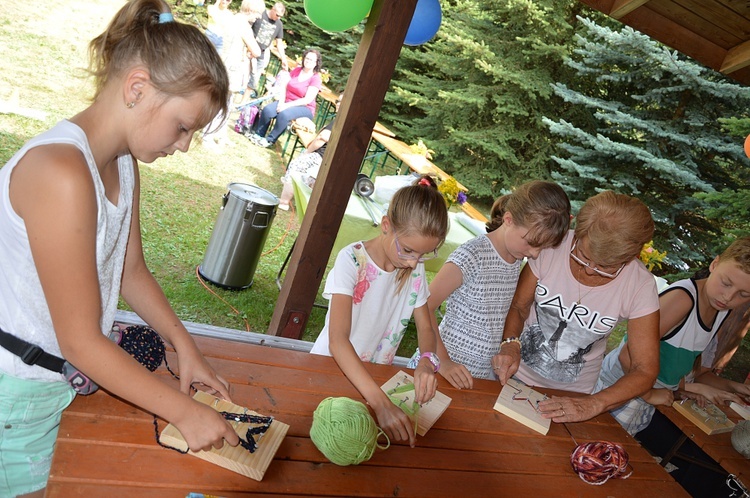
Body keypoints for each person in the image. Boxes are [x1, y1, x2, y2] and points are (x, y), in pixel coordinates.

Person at [0, 2, 240, 496]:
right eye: (183, 125)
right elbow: (81, 341)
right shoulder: (62, 173)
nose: (185, 145)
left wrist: (185, 347)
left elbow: (130, 270)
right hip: (14, 394)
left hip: (53, 384)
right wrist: (182, 412)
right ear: (137, 89)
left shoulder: (122, 164)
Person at [494, 191, 660, 423]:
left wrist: (593, 404)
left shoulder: (640, 285)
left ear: (632, 256)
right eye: (582, 255)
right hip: (513, 374)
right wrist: (510, 344)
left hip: (573, 396)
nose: (590, 270)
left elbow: (645, 370)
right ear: (578, 233)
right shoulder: (553, 246)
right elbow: (519, 306)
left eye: (606, 266)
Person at [309, 176, 449, 448]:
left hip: (373, 379)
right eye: (408, 251)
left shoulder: (414, 268)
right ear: (386, 225)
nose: (413, 262)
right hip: (330, 370)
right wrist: (382, 405)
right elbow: (338, 340)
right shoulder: (352, 260)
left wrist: (426, 362)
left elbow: (426, 328)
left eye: (423, 255)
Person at [412, 181, 571, 389]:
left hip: (476, 378)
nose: (535, 254)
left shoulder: (516, 259)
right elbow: (424, 305)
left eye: (542, 247)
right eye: (531, 243)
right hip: (438, 371)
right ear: (508, 220)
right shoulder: (472, 255)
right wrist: (443, 362)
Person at [596, 236, 750, 435]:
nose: (728, 297)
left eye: (743, 295)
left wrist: (733, 387)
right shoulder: (682, 300)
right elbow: (627, 355)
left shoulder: (721, 310)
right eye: (726, 283)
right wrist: (649, 394)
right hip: (616, 390)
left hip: (643, 401)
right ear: (715, 264)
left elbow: (690, 370)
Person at [201, 0, 264, 150]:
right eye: (257, 13)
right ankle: (208, 136)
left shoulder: (233, 18)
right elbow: (256, 51)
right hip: (231, 67)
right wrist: (250, 51)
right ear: (250, 10)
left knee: (227, 102)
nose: (258, 17)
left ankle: (220, 134)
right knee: (221, 102)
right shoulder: (244, 25)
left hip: (225, 63)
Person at [277, 92, 343, 210]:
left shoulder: (339, 121)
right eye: (337, 101)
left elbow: (322, 137)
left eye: (341, 102)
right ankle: (304, 204)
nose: (338, 104)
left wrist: (307, 152)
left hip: (321, 157)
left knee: (296, 167)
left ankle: (284, 202)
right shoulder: (347, 121)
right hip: (335, 162)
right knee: (311, 180)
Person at [248, 48, 322, 148]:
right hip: (287, 101)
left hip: (304, 107)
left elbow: (307, 100)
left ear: (316, 63)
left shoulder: (316, 78)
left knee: (284, 114)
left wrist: (286, 106)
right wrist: (281, 102)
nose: (308, 61)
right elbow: (284, 86)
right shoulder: (296, 70)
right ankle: (259, 135)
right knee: (268, 110)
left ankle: (270, 140)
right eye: (307, 58)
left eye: (312, 60)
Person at [246, 1, 288, 98]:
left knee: (254, 80)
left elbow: (279, 43)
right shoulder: (260, 14)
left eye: (280, 16)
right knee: (242, 76)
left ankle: (243, 101)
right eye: (277, 15)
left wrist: (283, 58)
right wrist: (247, 48)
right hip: (249, 50)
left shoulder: (279, 25)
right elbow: (247, 29)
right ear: (272, 9)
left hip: (261, 54)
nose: (278, 17)